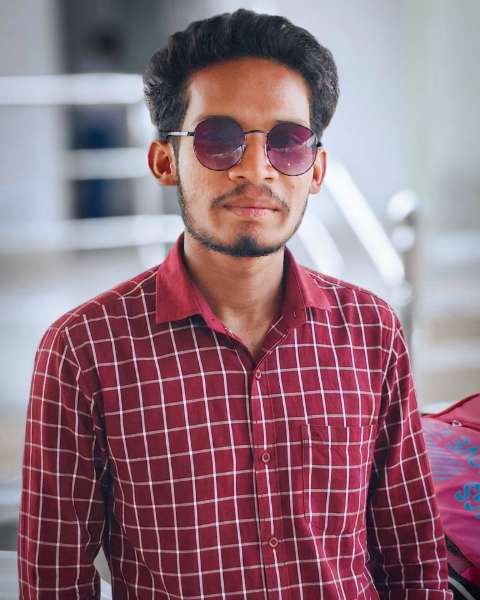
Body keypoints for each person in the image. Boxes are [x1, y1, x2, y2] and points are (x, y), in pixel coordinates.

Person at [17, 9, 453, 599]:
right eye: (218, 139)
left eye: (287, 142)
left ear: (316, 169)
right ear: (164, 161)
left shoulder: (371, 331)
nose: (255, 168)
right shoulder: (84, 350)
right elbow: (54, 581)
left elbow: (414, 558)